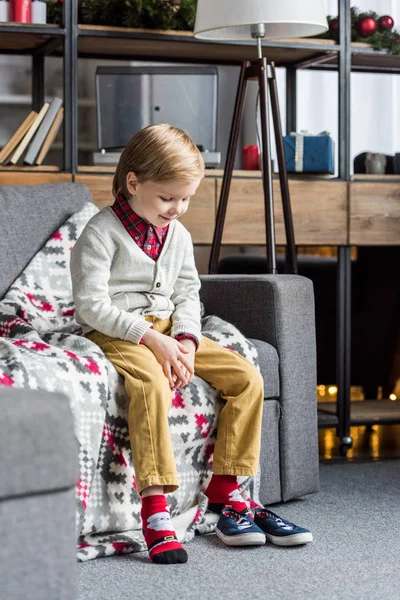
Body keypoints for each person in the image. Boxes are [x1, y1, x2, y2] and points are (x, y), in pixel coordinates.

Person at [70, 123, 312, 565]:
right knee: (150, 385)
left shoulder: (177, 235)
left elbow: (187, 293)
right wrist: (152, 341)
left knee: (246, 378)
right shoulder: (100, 233)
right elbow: (90, 305)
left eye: (186, 199)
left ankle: (226, 490)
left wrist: (184, 340)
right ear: (133, 183)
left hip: (168, 329)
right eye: (167, 198)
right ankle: (156, 510)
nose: (177, 208)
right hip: (115, 329)